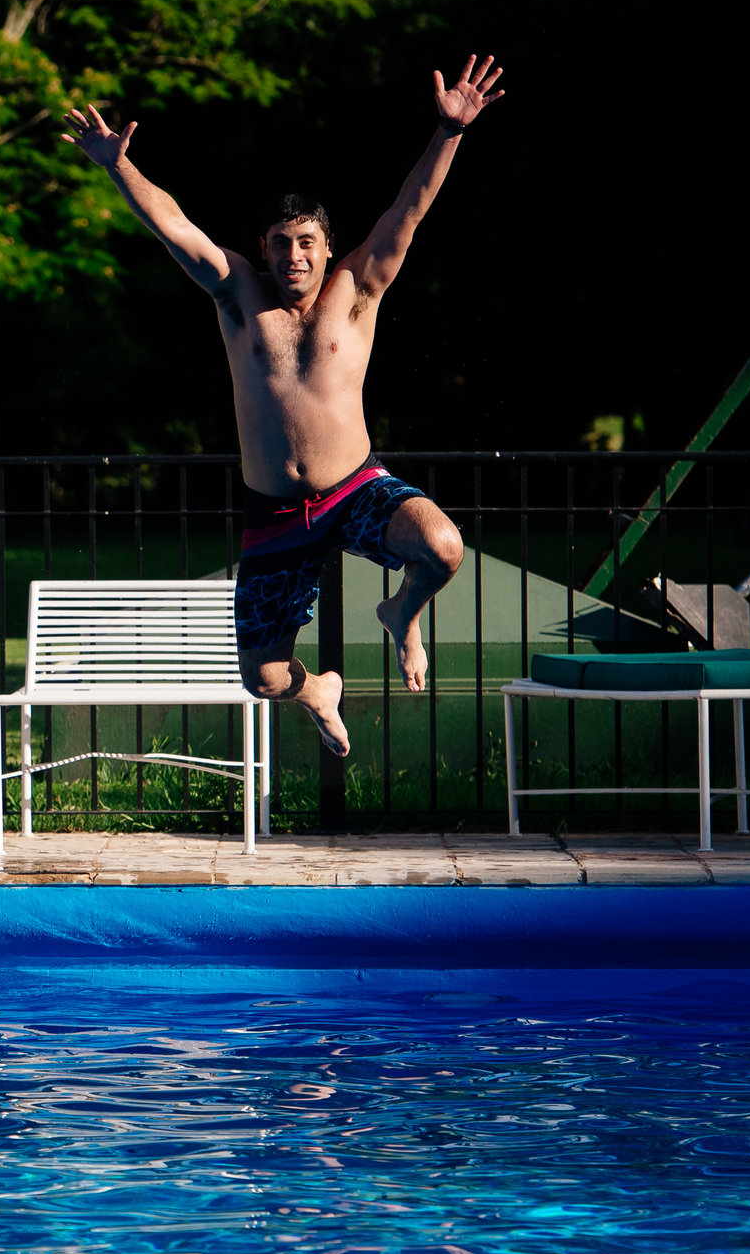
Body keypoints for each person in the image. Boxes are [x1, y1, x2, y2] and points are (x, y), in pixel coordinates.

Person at [64, 55, 508, 755]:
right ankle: (319, 690)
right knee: (264, 678)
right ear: (263, 251)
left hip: (355, 488)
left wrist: (449, 130)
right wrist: (120, 168)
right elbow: (175, 227)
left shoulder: (356, 288)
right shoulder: (239, 296)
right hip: (274, 515)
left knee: (443, 547)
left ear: (328, 248)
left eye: (306, 242)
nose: (293, 255)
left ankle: (401, 612)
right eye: (280, 244)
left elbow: (410, 208)